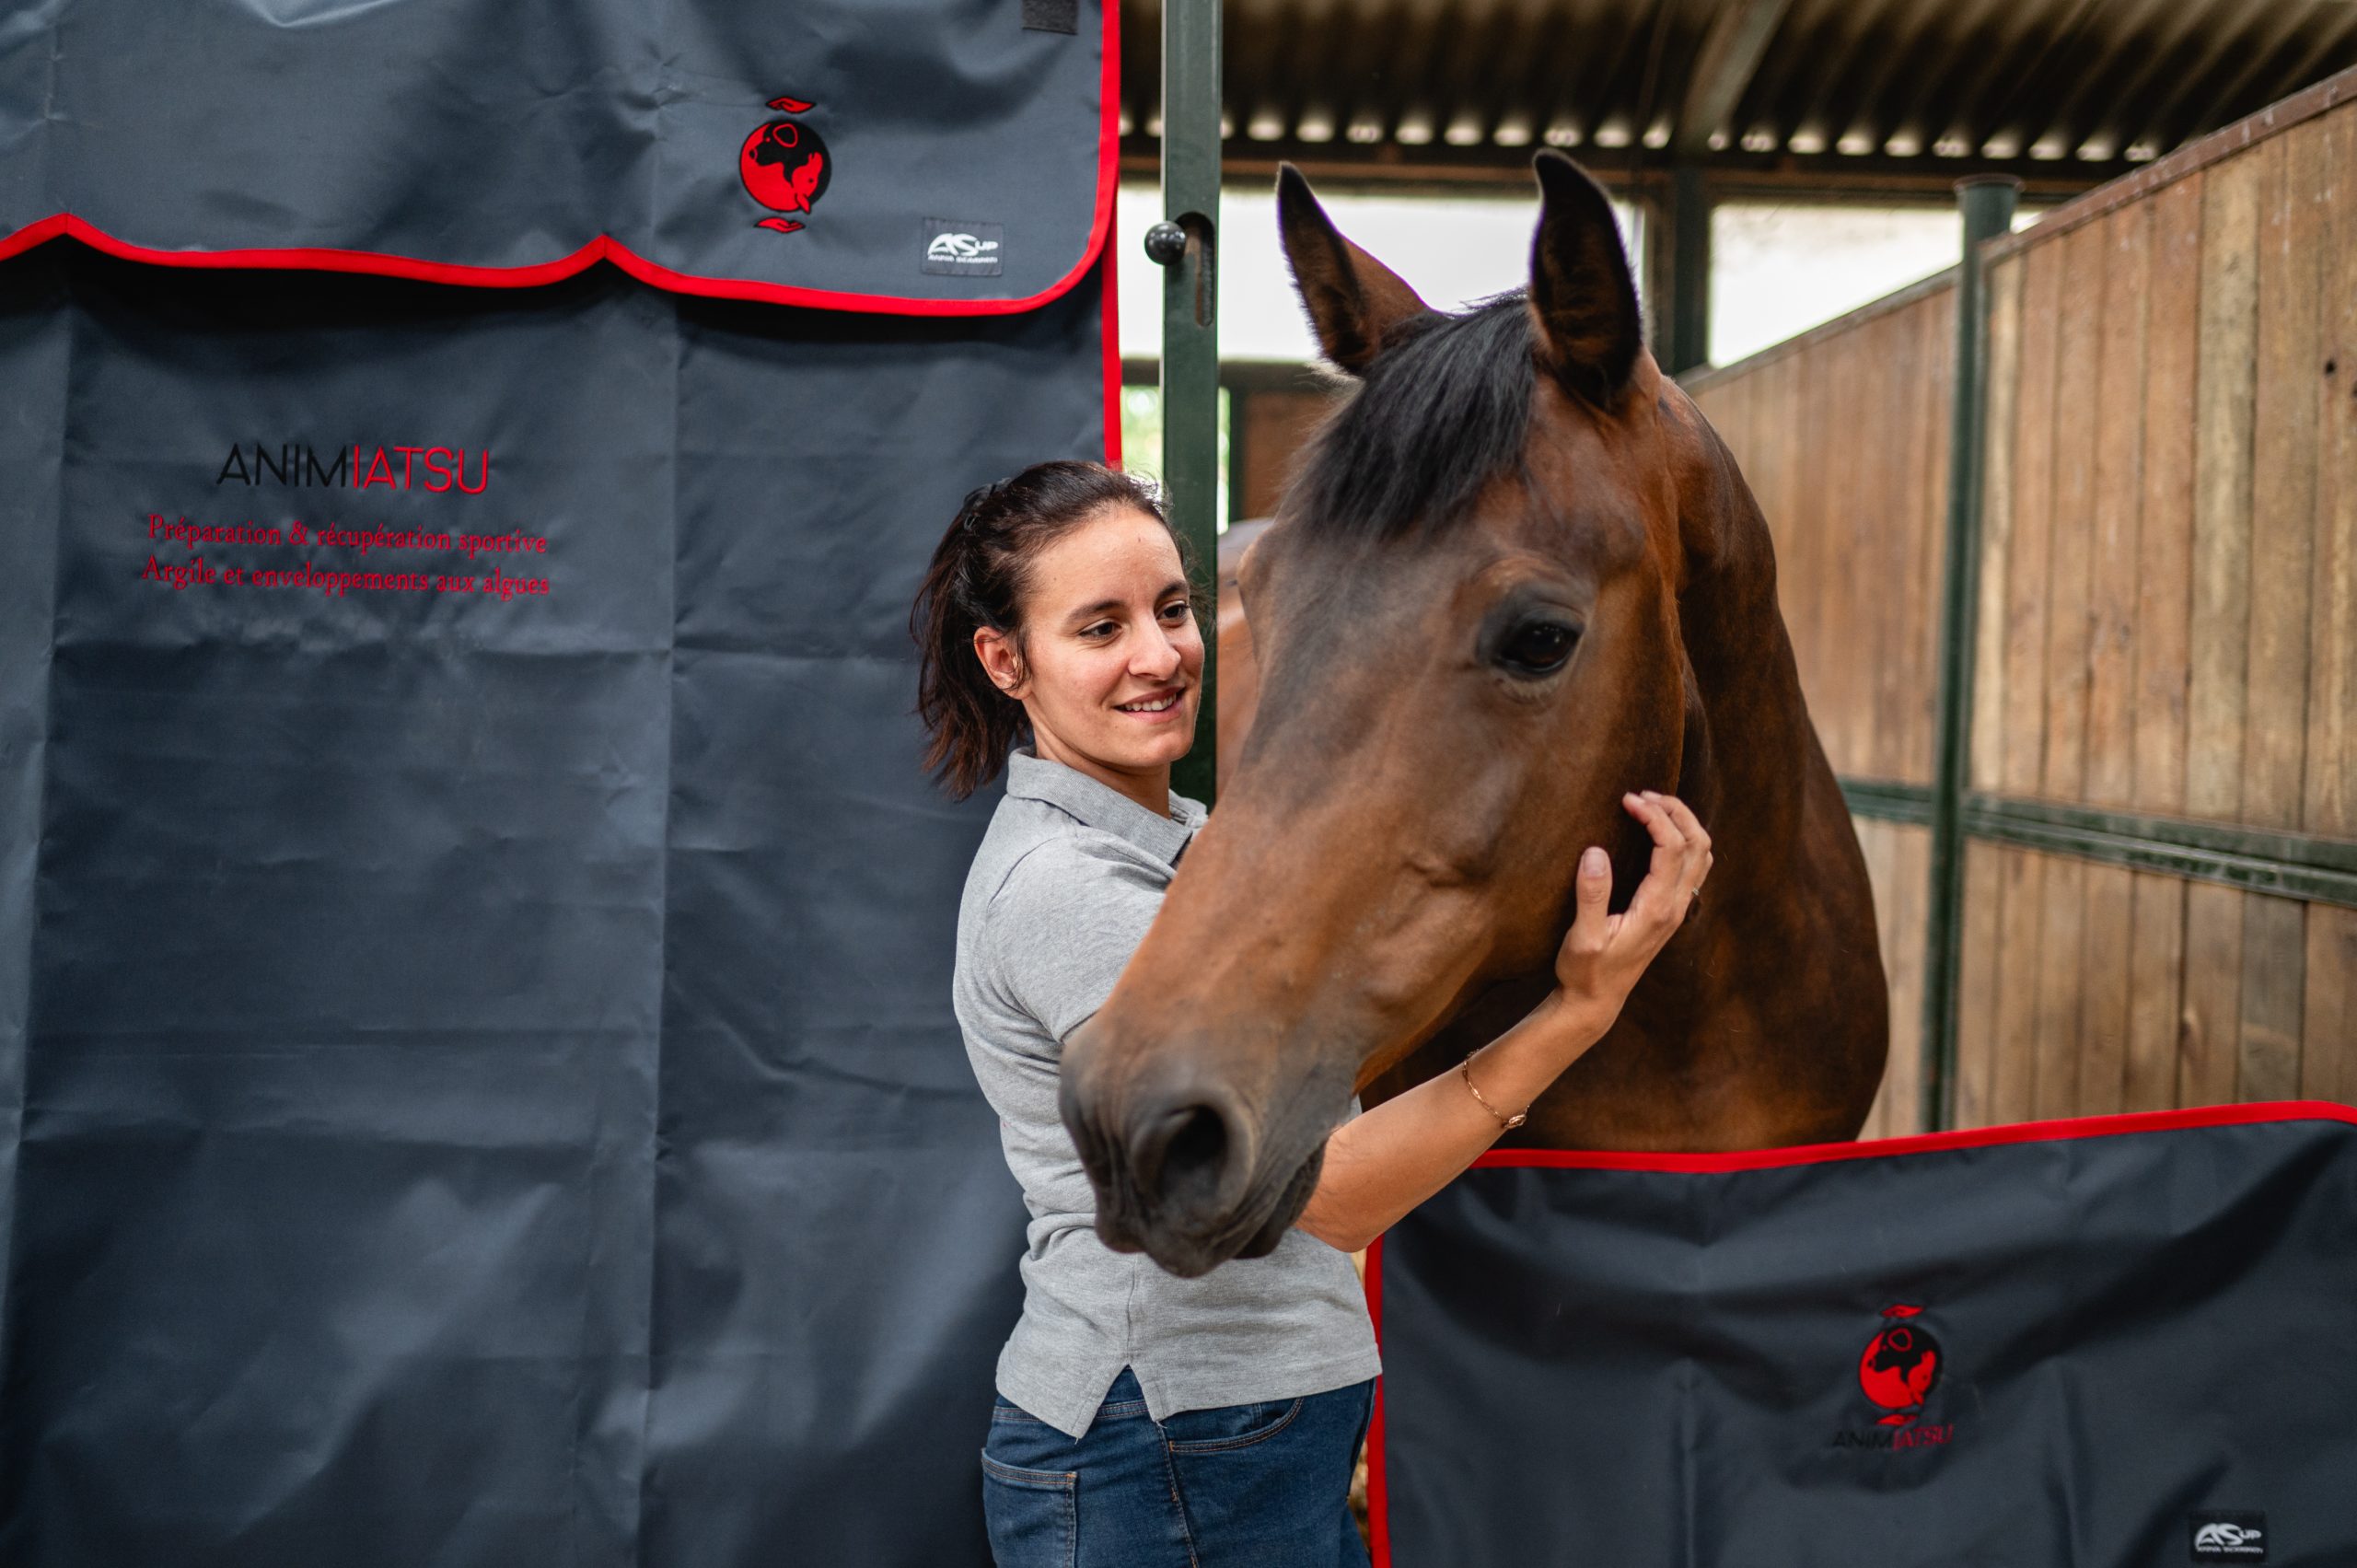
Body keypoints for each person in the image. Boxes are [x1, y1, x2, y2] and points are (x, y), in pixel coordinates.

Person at [910, 459, 1711, 1567]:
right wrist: (1576, 1013)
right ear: (1006, 660)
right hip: (1171, 1448)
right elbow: (1310, 1198)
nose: (1160, 653)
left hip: (1232, 1438)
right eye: (1100, 627)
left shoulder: (1192, 846)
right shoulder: (1070, 890)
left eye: (1172, 608)